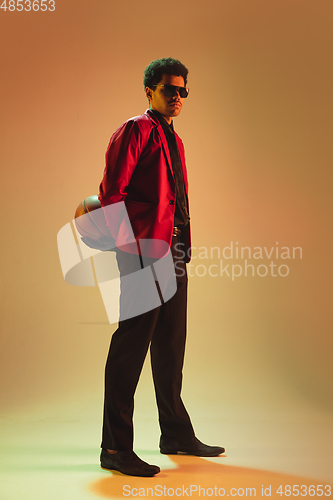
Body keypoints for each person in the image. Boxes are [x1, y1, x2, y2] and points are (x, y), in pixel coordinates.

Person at [98, 57, 224, 477]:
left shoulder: (174, 138)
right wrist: (128, 252)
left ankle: (175, 433)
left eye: (183, 90)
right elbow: (111, 194)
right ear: (149, 89)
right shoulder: (135, 130)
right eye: (170, 88)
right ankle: (115, 449)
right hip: (141, 253)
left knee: (171, 345)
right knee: (131, 345)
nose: (177, 96)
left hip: (174, 253)